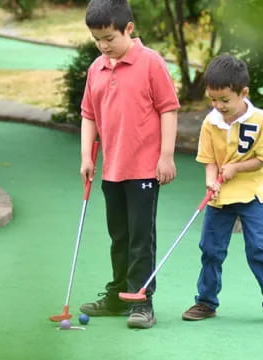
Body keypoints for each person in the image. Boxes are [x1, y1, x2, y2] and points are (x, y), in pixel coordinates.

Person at [78, 0, 180, 329]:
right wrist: (85, 157)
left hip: (145, 170)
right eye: (97, 39)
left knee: (140, 238)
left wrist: (166, 156)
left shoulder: (150, 63)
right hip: (112, 170)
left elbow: (168, 109)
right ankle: (118, 295)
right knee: (119, 237)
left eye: (109, 38)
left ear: (129, 29)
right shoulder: (97, 68)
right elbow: (88, 115)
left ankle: (141, 300)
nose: (104, 46)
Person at [182, 54, 263, 324]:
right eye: (212, 99)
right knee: (210, 249)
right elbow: (208, 160)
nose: (218, 106)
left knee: (258, 248)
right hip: (220, 197)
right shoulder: (210, 123)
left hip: (252, 195)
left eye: (224, 100)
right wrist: (211, 180)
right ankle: (206, 302)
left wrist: (235, 168)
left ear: (244, 93)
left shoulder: (261, 120)